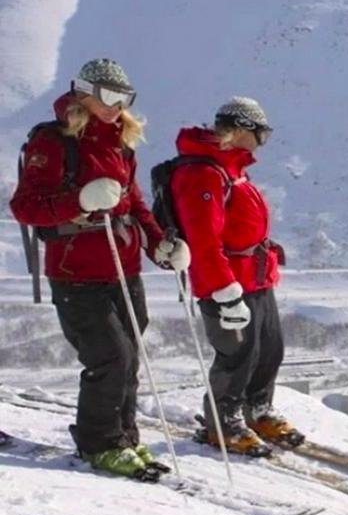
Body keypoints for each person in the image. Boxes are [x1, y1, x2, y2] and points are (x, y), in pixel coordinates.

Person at [9, 58, 190, 479]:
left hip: (123, 270)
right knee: (110, 356)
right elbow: (25, 207)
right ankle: (99, 443)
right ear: (83, 93)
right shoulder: (53, 141)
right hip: (76, 272)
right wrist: (81, 201)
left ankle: (125, 437)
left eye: (123, 98)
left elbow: (136, 205)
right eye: (107, 96)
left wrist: (160, 245)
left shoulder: (120, 143)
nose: (115, 106)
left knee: (130, 357)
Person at [170, 96, 299, 456]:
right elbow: (203, 239)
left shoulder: (232, 168)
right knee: (236, 356)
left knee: (268, 350)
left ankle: (257, 409)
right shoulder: (203, 173)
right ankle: (223, 423)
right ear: (242, 129)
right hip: (227, 283)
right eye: (262, 133)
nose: (263, 141)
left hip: (255, 277)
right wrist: (224, 290)